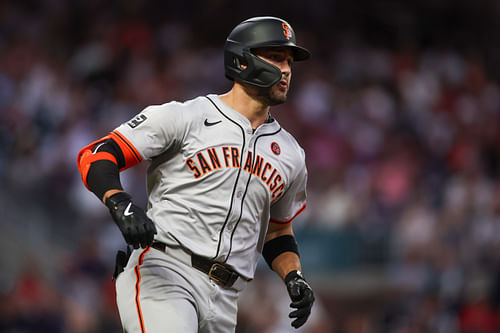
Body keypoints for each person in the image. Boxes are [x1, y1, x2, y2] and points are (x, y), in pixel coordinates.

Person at [76, 16, 314, 332]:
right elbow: (97, 156)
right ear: (242, 61)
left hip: (226, 298)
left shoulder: (291, 154)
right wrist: (118, 200)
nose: (286, 69)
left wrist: (293, 275)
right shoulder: (186, 117)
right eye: (275, 57)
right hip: (165, 271)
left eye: (289, 61)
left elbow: (277, 231)